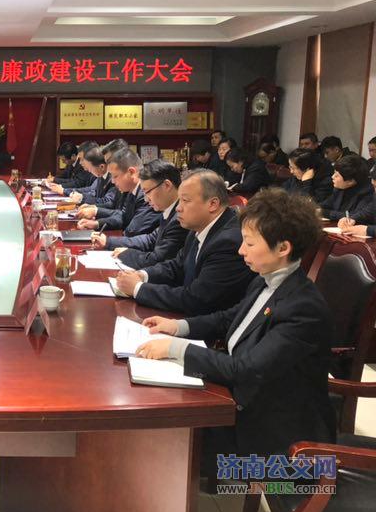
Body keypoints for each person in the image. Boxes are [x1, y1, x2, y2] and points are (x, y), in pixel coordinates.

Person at [136, 189, 336, 469]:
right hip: (240, 399)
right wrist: (178, 326)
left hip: (278, 441)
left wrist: (176, 349)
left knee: (162, 443)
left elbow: (245, 369)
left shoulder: (303, 308)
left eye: (250, 243)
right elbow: (228, 318)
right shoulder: (266, 279)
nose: (241, 250)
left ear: (283, 248)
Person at [114, 169, 256, 316]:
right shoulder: (199, 226)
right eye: (179, 200)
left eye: (185, 201)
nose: (178, 208)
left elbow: (196, 300)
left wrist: (138, 288)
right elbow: (177, 266)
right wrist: (142, 275)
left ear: (213, 204)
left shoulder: (229, 242)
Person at [91, 159, 188, 269]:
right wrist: (109, 242)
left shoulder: (180, 217)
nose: (146, 199)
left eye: (148, 192)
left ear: (166, 185)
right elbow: (150, 240)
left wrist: (127, 254)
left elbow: (159, 259)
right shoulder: (168, 210)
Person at [77, 149, 159, 236]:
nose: (112, 181)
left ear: (131, 172)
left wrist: (107, 241)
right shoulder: (132, 190)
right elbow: (122, 217)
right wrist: (96, 224)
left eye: (115, 176)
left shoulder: (146, 194)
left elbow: (131, 231)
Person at [320, 154, 374, 223]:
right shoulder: (340, 187)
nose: (332, 177)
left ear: (351, 181)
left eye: (337, 175)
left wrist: (326, 213)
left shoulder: (368, 192)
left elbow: (354, 216)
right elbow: (325, 205)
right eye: (334, 173)